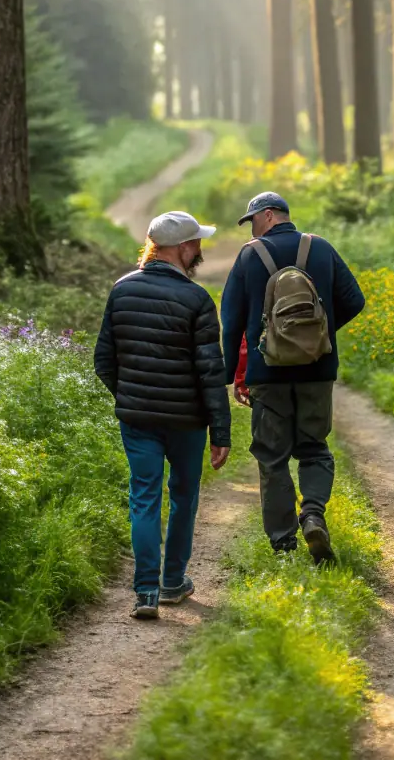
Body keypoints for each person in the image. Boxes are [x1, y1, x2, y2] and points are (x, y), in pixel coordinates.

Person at [94, 210, 231, 620]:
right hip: (187, 422)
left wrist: (131, 395)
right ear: (183, 248)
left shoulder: (122, 291)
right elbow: (211, 372)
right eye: (198, 244)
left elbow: (104, 359)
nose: (200, 250)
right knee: (184, 497)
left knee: (144, 497)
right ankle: (173, 582)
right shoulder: (197, 299)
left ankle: (146, 593)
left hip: (138, 420)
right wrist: (220, 432)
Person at [221, 191, 365, 563]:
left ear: (269, 216)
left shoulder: (250, 255)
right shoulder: (321, 248)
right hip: (317, 370)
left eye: (252, 219)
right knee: (314, 448)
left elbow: (231, 320)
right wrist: (319, 336)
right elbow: (355, 300)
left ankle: (283, 544)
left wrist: (230, 371)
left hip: (267, 373)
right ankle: (313, 513)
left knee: (272, 456)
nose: (250, 227)